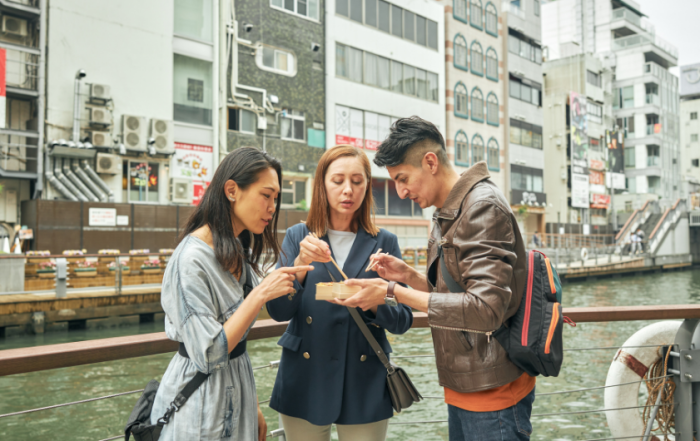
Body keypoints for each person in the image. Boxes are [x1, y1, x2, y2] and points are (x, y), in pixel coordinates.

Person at [335, 117, 534, 441]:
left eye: (403, 179)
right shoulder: (450, 210)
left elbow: (485, 309)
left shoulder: (481, 207)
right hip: (471, 384)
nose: (400, 191)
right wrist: (409, 277)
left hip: (494, 391)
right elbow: (459, 294)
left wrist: (391, 292)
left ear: (430, 162)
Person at [150, 147, 312, 441]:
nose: (272, 206)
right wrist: (260, 294)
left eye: (276, 198)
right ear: (232, 190)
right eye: (266, 195)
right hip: (200, 404)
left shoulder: (236, 247)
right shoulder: (190, 260)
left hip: (237, 392)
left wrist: (252, 405)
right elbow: (209, 354)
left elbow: (235, 346)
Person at [266, 145, 414, 441]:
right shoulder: (299, 236)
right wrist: (298, 265)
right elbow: (278, 311)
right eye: (338, 181)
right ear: (322, 184)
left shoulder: (384, 241)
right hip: (305, 377)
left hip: (365, 379)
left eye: (357, 182)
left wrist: (374, 303)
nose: (348, 190)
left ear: (367, 187)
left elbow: (403, 320)